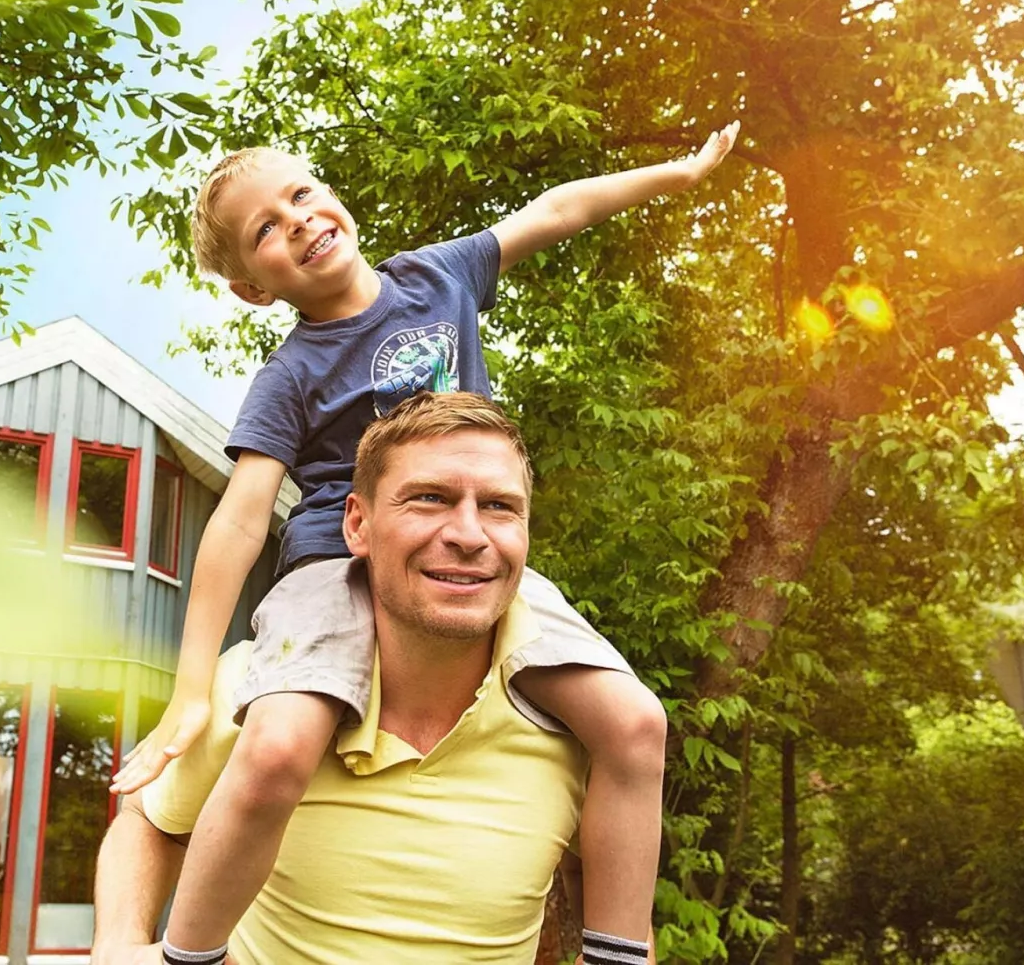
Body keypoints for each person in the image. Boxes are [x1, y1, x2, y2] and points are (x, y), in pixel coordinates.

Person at [111, 124, 739, 965]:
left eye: (299, 194)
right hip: (334, 565)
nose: (294, 221)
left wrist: (680, 172)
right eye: (264, 229)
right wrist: (192, 691)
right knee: (278, 745)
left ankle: (619, 954)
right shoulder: (292, 373)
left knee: (633, 722)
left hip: (462, 544)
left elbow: (556, 209)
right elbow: (239, 517)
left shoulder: (437, 275)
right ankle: (189, 955)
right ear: (250, 289)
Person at [93, 392, 664, 963]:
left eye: (498, 506)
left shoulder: (579, 723)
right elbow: (150, 819)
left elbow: (611, 899)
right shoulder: (263, 687)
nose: (469, 534)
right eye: (429, 499)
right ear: (358, 525)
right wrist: (117, 947)